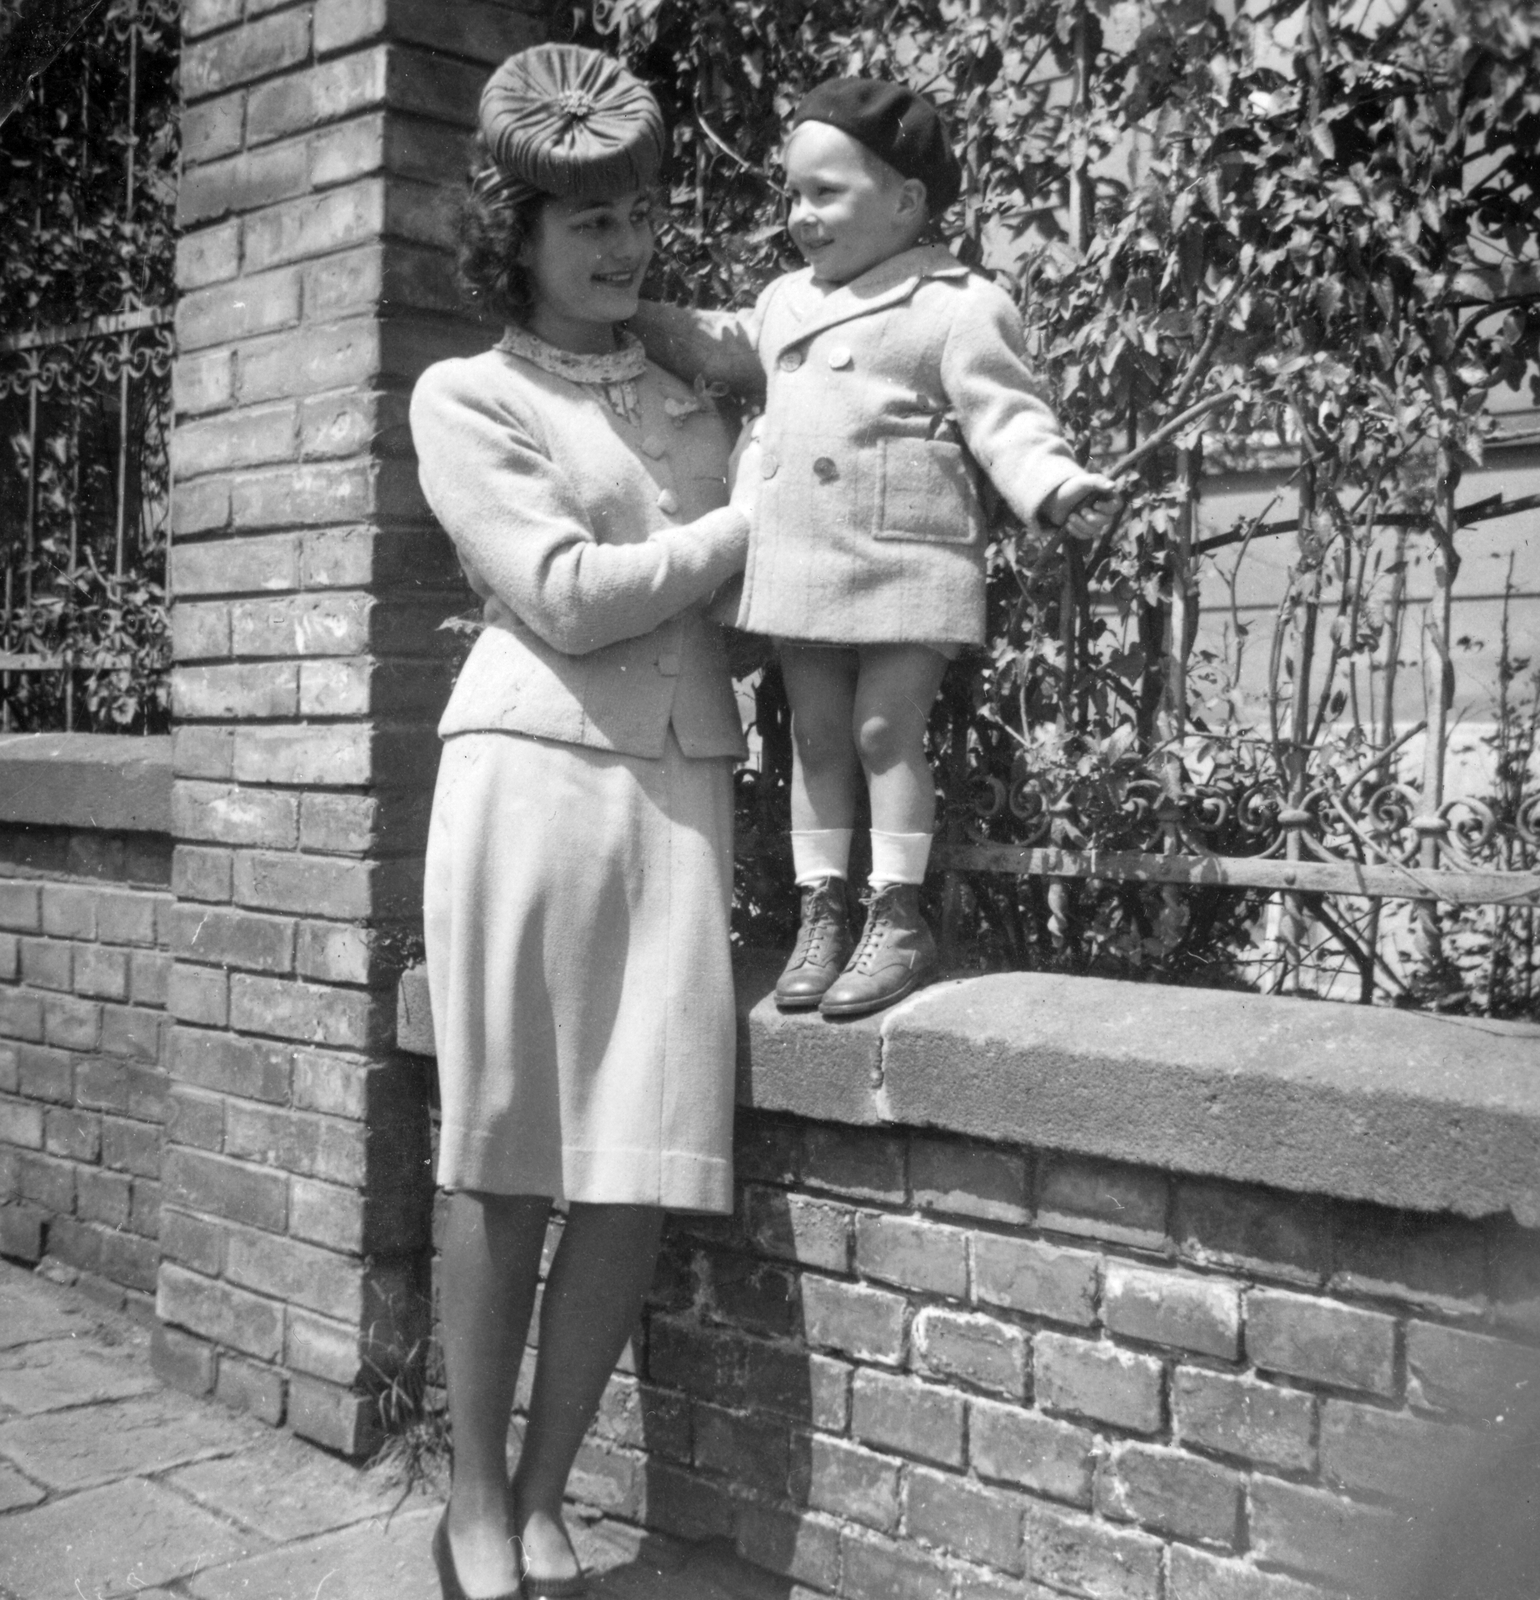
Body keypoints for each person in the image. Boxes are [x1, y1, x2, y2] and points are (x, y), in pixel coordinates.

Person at [408, 44, 755, 1600]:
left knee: (641, 1155)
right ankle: (472, 1505)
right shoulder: (469, 394)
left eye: (638, 213)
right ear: (517, 237)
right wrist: (756, 523)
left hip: (682, 785)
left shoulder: (690, 379)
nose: (621, 246)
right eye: (585, 222)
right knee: (506, 1145)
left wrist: (736, 384)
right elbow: (558, 594)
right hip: (531, 778)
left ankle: (546, 1493)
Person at [630, 77, 1121, 1018]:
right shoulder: (784, 301)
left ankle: (896, 915)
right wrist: (623, 309)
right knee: (815, 738)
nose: (799, 216)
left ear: (907, 201)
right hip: (805, 554)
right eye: (792, 194)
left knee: (883, 731)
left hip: (905, 554)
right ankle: (825, 911)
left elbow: (1008, 415)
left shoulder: (957, 302)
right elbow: (719, 342)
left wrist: (1056, 487)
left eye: (825, 194)